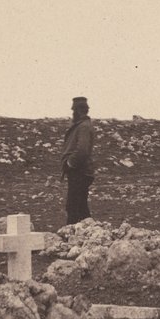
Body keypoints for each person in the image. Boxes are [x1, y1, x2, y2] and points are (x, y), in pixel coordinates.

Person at [61, 96, 95, 224]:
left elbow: (82, 151)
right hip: (80, 172)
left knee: (73, 208)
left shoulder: (83, 127)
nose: (72, 113)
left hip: (79, 172)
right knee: (80, 208)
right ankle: (86, 236)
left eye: (73, 111)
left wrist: (70, 163)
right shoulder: (83, 126)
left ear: (78, 111)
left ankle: (71, 239)